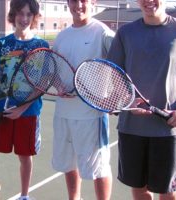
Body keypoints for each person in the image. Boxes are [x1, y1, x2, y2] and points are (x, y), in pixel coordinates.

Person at [106, 0, 176, 199]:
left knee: (170, 191)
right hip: (132, 127)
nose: (148, 1)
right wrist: (128, 101)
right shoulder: (125, 33)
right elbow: (116, 74)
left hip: (168, 128)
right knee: (139, 189)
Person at [0, 0, 49, 200]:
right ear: (13, 15)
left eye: (29, 14)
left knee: (25, 156)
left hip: (28, 113)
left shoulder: (41, 46)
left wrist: (23, 107)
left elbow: (42, 83)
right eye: (20, 13)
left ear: (34, 17)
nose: (24, 18)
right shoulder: (2, 44)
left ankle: (24, 195)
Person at [51, 0, 115, 199]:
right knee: (69, 164)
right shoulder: (62, 36)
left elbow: (124, 66)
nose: (78, 5)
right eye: (73, 0)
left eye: (84, 0)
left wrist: (113, 99)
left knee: (100, 169)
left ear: (93, 3)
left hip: (91, 116)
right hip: (63, 114)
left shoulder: (103, 33)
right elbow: (55, 69)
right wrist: (59, 86)